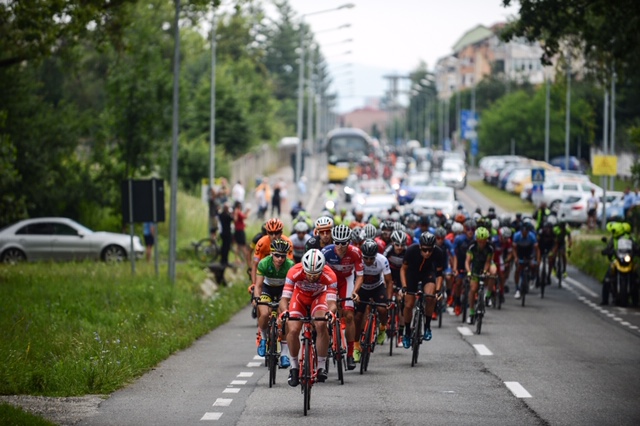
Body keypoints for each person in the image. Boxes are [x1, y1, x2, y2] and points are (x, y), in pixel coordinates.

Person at [280, 249, 338, 386]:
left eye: (315, 274)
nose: (311, 277)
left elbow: (332, 303)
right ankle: (294, 367)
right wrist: (284, 311)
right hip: (299, 297)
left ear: (322, 269)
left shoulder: (330, 275)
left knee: (321, 324)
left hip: (319, 297)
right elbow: (284, 299)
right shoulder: (294, 271)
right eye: (309, 274)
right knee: (292, 329)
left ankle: (321, 366)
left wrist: (330, 313)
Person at [321, 224, 363, 370]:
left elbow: (359, 276)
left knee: (349, 316)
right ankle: (324, 347)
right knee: (326, 315)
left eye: (343, 243)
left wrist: (355, 292)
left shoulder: (356, 253)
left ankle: (350, 354)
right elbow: (319, 275)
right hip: (329, 281)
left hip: (347, 280)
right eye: (336, 242)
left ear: (349, 242)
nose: (339, 246)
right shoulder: (325, 252)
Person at [252, 239, 295, 368]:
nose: (280, 259)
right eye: (277, 255)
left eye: (283, 256)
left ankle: (284, 355)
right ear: (271, 254)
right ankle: (264, 339)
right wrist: (256, 298)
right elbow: (258, 286)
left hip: (283, 290)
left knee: (285, 320)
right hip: (267, 289)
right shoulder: (264, 263)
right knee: (264, 314)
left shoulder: (290, 265)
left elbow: (292, 288)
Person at [400, 232, 446, 347]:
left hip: (428, 274)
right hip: (412, 275)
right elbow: (403, 270)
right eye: (425, 250)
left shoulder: (438, 252)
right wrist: (404, 287)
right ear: (420, 246)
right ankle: (407, 332)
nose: (427, 253)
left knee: (430, 297)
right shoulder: (411, 250)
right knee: (409, 305)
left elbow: (440, 274)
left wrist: (438, 291)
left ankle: (427, 327)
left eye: (430, 250)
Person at [352, 239, 393, 363]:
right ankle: (356, 346)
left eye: (371, 258)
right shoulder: (358, 259)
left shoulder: (382, 260)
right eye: (366, 258)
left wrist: (389, 299)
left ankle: (382, 328)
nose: (369, 261)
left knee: (382, 309)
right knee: (358, 317)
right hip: (362, 288)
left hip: (377, 288)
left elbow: (389, 281)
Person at [464, 227, 496, 324]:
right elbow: (467, 261)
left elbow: (488, 261)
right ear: (477, 239)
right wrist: (469, 272)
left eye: (484, 241)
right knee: (473, 289)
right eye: (480, 241)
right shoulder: (472, 246)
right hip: (476, 267)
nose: (482, 243)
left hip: (486, 265)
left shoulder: (490, 247)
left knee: (493, 272)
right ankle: (472, 312)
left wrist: (485, 272)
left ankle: (488, 295)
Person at [251, 218, 294, 286]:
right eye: (271, 233)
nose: (274, 236)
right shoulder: (261, 243)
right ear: (267, 232)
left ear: (281, 233)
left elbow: (290, 265)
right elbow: (255, 264)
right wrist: (253, 283)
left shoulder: (288, 243)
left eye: (276, 233)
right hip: (265, 270)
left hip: (281, 272)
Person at [513, 222, 540, 299]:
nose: (524, 233)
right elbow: (514, 249)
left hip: (529, 251)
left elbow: (537, 250)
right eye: (523, 232)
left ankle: (532, 277)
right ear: (521, 231)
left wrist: (537, 260)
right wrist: (515, 257)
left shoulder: (532, 236)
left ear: (528, 232)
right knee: (518, 269)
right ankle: (517, 288)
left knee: (532, 265)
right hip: (520, 251)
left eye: (526, 232)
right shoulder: (516, 236)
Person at [233, 201, 250, 268]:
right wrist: (248, 212)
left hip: (238, 230)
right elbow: (244, 217)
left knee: (238, 246)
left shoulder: (236, 211)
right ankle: (247, 260)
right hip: (240, 231)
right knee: (243, 246)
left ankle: (237, 259)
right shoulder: (237, 211)